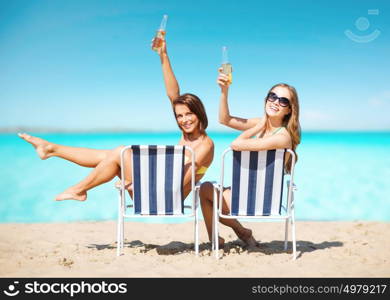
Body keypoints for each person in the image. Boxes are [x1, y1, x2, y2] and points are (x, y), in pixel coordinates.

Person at [18, 37, 214, 202]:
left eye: (189, 114)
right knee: (112, 155)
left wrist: (139, 181)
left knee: (121, 152)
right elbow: (173, 94)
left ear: (199, 113)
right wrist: (163, 55)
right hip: (152, 189)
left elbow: (179, 183)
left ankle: (77, 187)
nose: (184, 119)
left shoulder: (205, 145)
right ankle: (53, 151)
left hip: (163, 199)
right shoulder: (187, 135)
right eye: (180, 116)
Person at [199, 69, 301, 248]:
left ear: (289, 110)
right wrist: (224, 91)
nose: (276, 102)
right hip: (250, 194)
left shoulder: (283, 136)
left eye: (283, 101)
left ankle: (236, 234)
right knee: (207, 189)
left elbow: (236, 145)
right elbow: (224, 119)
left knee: (207, 191)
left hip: (259, 199)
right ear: (266, 99)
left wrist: (257, 126)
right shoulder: (264, 125)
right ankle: (238, 234)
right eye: (272, 96)